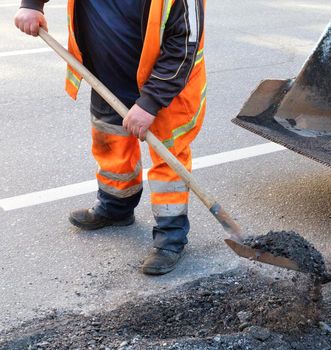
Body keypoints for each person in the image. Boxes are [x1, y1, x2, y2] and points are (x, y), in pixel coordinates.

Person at [14, 0, 207, 276]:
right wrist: (32, 4)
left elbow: (184, 44)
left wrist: (150, 103)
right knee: (111, 144)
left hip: (165, 89)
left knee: (168, 160)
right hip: (107, 79)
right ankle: (116, 207)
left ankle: (170, 237)